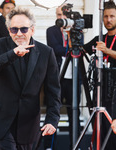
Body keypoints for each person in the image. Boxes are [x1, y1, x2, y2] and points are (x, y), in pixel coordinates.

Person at [0, 7, 61, 150]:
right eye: (14, 30)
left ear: (32, 30)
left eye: (23, 29)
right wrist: (12, 54)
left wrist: (52, 120)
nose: (19, 34)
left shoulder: (46, 53)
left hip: (28, 125)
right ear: (8, 30)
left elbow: (53, 91)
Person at [46, 4, 81, 149]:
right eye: (59, 15)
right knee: (53, 111)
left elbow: (78, 49)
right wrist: (69, 49)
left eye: (64, 15)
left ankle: (76, 144)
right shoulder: (51, 31)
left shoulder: (77, 31)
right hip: (57, 77)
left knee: (74, 113)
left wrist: (70, 34)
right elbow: (55, 49)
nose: (62, 18)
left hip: (73, 78)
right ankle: (49, 145)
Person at [83, 1, 116, 149]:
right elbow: (80, 51)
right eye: (106, 16)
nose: (108, 20)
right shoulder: (99, 38)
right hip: (101, 91)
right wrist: (73, 34)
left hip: (115, 92)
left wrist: (107, 51)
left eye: (112, 16)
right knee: (101, 129)